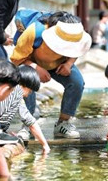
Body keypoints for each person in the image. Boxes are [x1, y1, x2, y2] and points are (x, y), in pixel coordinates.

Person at [10, 11, 92, 139]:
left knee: (77, 82)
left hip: (60, 64)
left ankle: (63, 123)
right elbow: (16, 59)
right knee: (27, 81)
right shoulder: (34, 32)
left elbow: (78, 48)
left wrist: (69, 64)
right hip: (32, 63)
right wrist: (36, 68)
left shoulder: (76, 35)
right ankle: (27, 125)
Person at [0, 65, 50, 154]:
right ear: (23, 85)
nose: (27, 95)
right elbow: (31, 123)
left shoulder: (4, 86)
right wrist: (45, 145)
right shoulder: (17, 92)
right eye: (30, 91)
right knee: (18, 140)